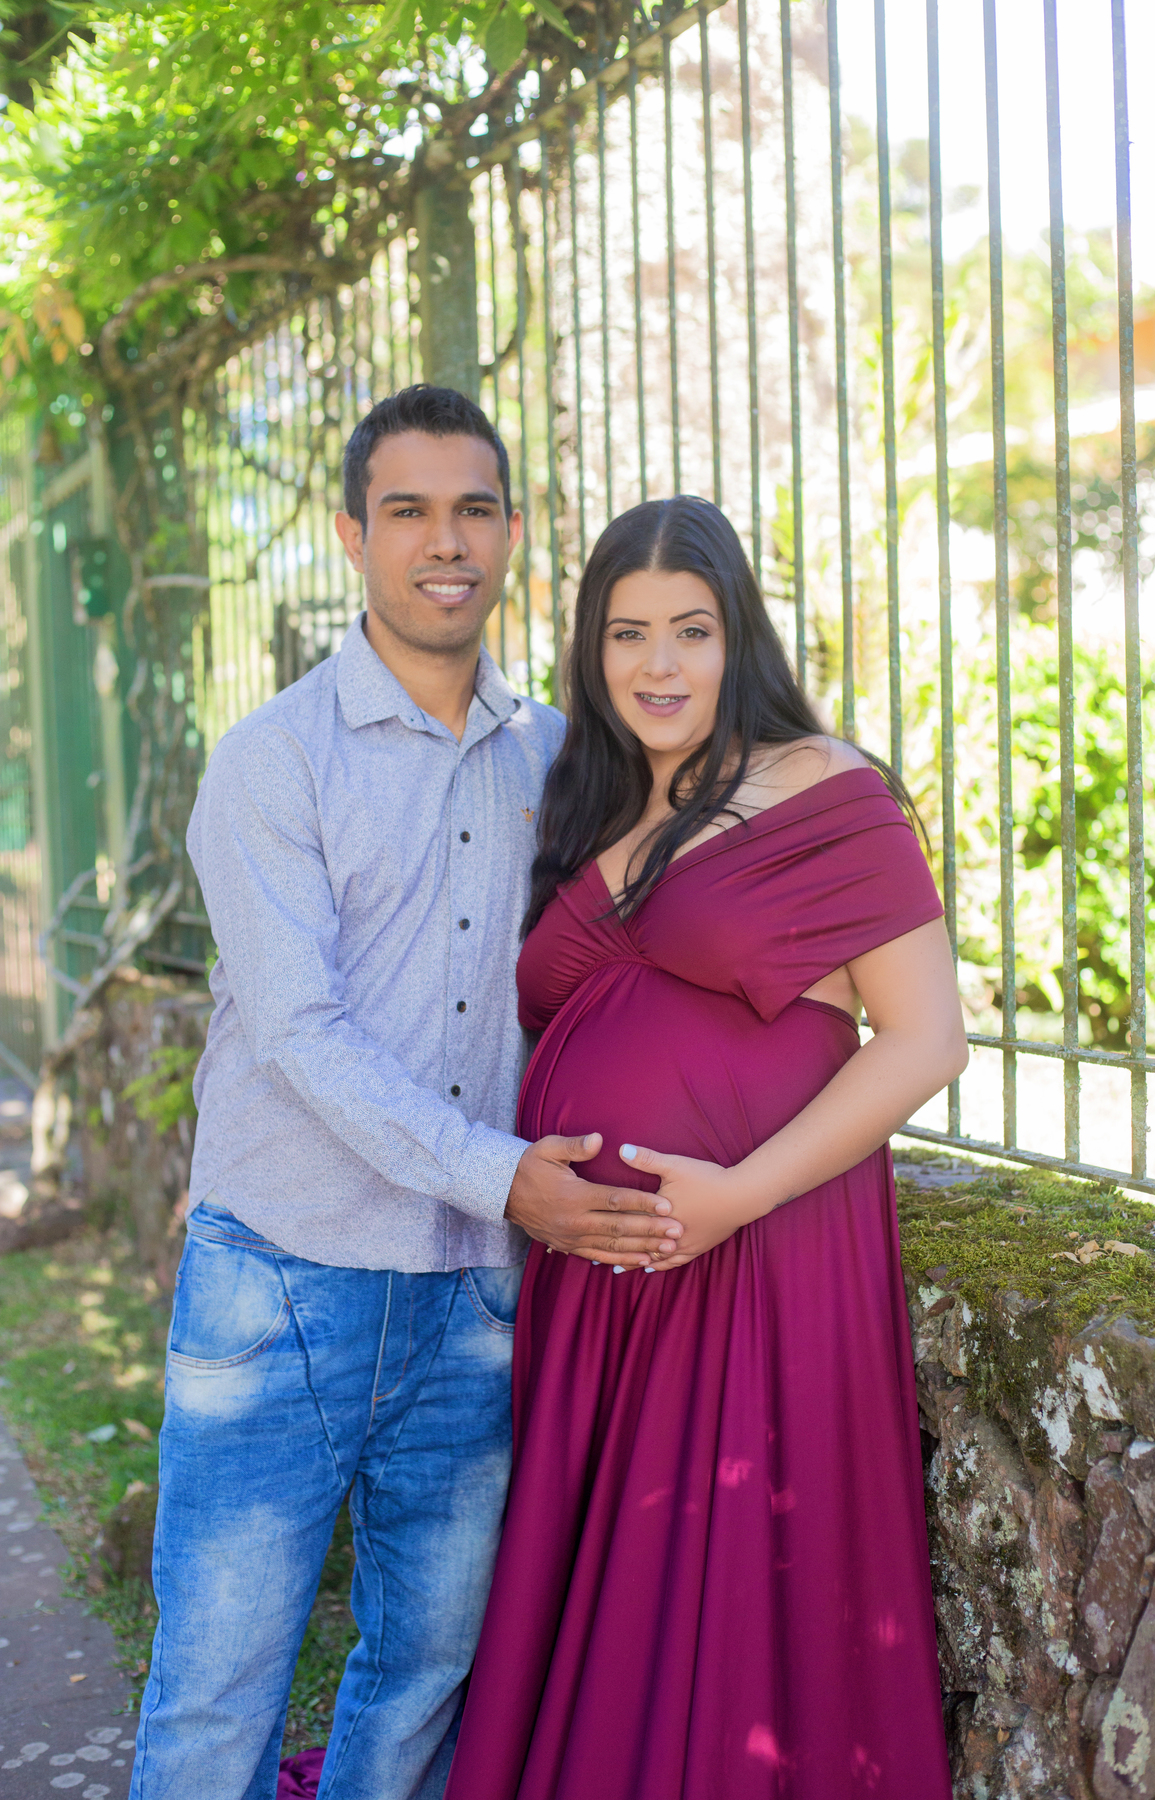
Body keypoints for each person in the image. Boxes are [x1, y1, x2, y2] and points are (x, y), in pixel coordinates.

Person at [131, 387, 681, 1800]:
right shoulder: (271, 762)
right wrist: (506, 1175)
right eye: (410, 510)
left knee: (426, 1684)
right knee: (215, 1702)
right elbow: (302, 1033)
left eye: (475, 509)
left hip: (475, 1300)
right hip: (281, 1289)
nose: (447, 541)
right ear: (352, 535)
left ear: (510, 533)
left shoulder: (565, 757)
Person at [445, 495, 967, 1800]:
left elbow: (925, 1041)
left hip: (756, 1253)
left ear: (740, 637)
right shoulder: (589, 800)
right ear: (592, 650)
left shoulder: (828, 788)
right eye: (628, 634)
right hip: (591, 1284)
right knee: (608, 1587)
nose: (659, 665)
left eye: (691, 628)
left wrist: (734, 1197)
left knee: (732, 1594)